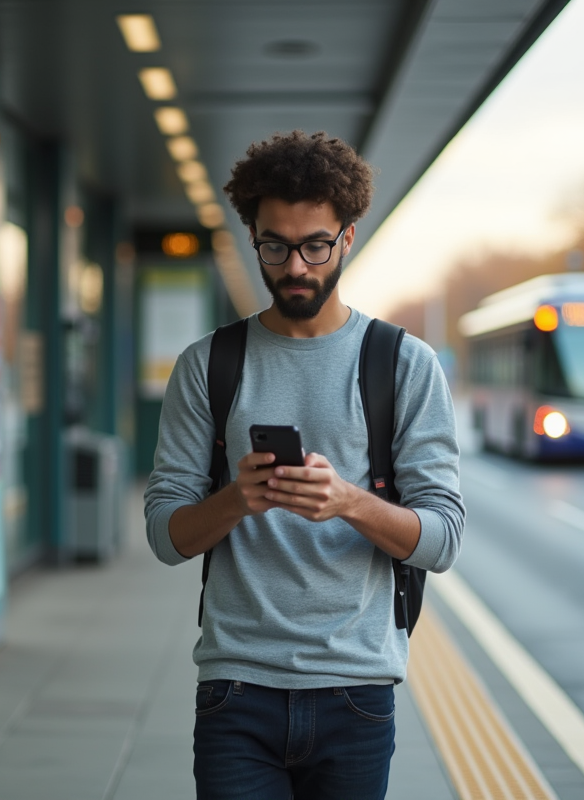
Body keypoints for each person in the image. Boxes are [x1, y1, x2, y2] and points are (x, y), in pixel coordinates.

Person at [143, 130, 465, 800]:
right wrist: (238, 497)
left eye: (315, 245)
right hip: (236, 691)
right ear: (251, 238)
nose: (295, 267)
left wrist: (347, 501)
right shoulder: (208, 365)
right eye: (275, 245)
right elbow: (165, 537)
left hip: (356, 690)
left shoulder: (404, 365)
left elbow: (441, 540)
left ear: (347, 238)